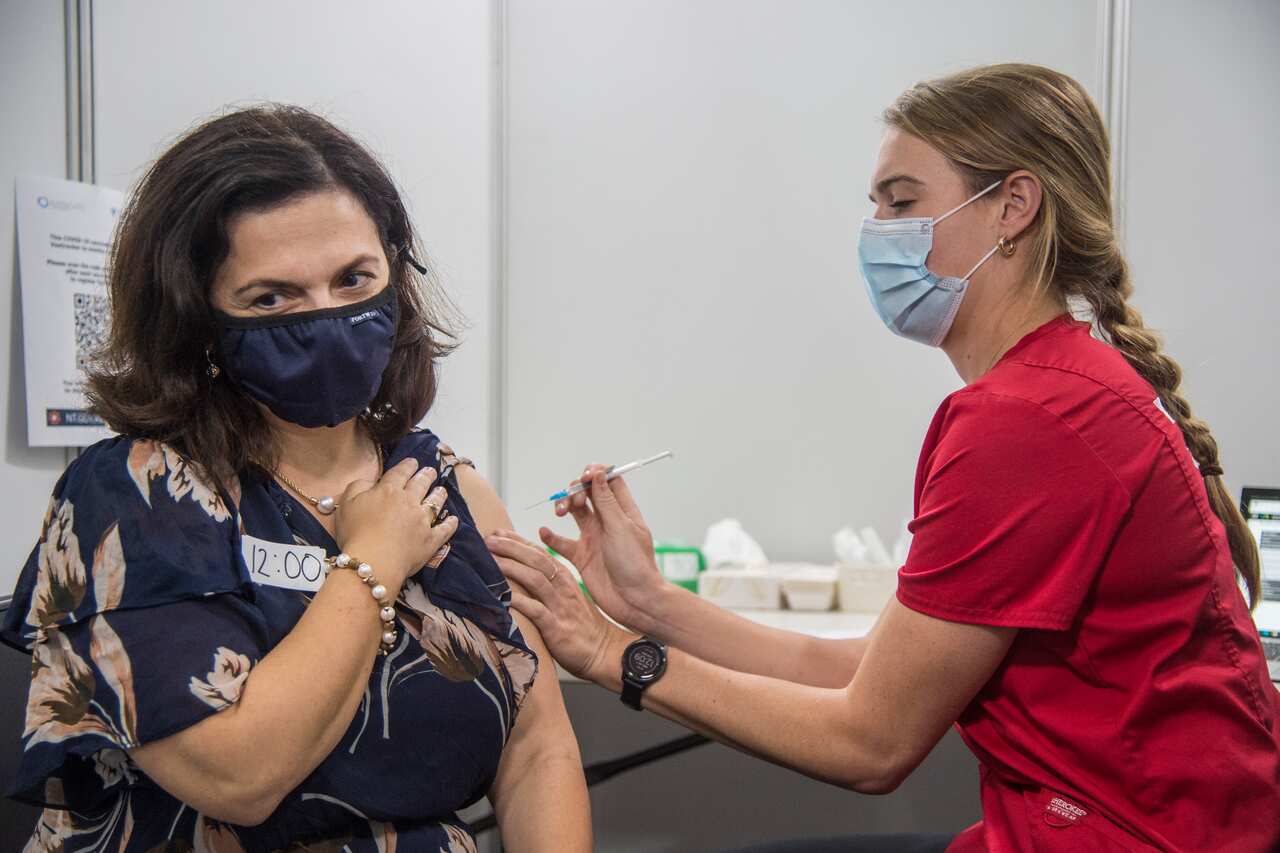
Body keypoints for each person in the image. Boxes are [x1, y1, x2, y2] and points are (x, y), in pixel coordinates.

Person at [485, 64, 1280, 852]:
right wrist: (652, 602)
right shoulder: (1059, 386)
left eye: (902, 202)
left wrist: (607, 649)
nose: (877, 231)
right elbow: (866, 670)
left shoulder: (1027, 421)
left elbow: (871, 741)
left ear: (1012, 206)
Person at [1, 106, 591, 852]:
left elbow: (539, 750)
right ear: (195, 318)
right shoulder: (132, 497)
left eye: (354, 279)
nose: (326, 318)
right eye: (272, 298)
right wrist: (373, 558)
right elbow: (240, 778)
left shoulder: (447, 486)